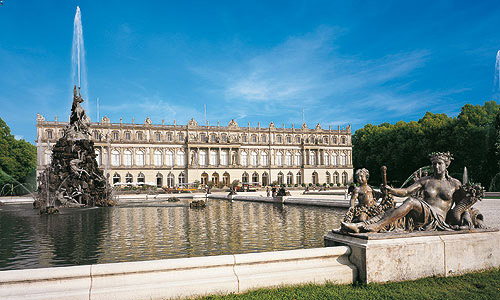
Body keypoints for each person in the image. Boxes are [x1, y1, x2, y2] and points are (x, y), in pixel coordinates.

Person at [342, 152, 461, 233]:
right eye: (434, 164)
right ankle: (361, 226)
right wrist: (391, 190)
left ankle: (376, 226)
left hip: (438, 217)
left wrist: (466, 220)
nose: (436, 166)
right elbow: (406, 191)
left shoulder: (455, 184)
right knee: (391, 211)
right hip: (423, 214)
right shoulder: (425, 180)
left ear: (446, 165)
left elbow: (462, 206)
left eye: (440, 164)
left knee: (411, 201)